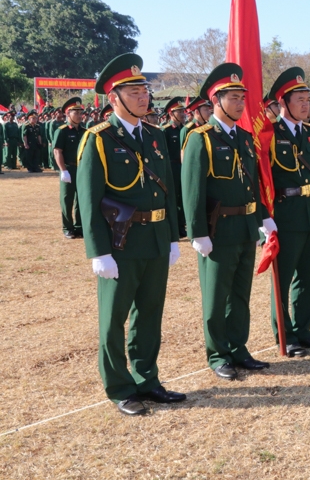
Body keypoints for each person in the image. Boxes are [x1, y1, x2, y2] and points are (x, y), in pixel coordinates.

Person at [77, 53, 183, 416]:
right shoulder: (99, 138)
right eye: (134, 91)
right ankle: (120, 387)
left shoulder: (154, 136)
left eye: (145, 90)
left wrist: (171, 237)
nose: (144, 97)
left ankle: (147, 379)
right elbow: (88, 199)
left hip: (154, 238)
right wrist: (98, 252)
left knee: (150, 314)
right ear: (114, 98)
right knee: (114, 319)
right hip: (120, 243)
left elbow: (167, 190)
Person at [182, 63, 269, 381]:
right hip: (217, 231)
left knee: (240, 295)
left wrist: (264, 218)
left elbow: (252, 183)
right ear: (215, 100)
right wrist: (197, 233)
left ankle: (238, 348)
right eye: (233, 97)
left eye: (242, 97)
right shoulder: (200, 138)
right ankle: (218, 354)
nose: (240, 103)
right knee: (217, 296)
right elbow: (192, 190)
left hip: (245, 227)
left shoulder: (245, 138)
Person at [266, 67, 310, 356]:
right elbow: (263, 177)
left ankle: (304, 330)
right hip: (284, 213)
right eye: (300, 99)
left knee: (309, 277)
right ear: (283, 103)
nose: (306, 104)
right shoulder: (269, 134)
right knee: (283, 278)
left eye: (308, 99)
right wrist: (264, 219)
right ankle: (285, 333)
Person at [53, 97, 86, 238]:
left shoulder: (85, 131)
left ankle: (79, 226)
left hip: (82, 169)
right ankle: (67, 227)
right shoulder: (62, 131)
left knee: (81, 199)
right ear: (68, 113)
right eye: (76, 112)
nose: (79, 115)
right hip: (69, 168)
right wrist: (63, 170)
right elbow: (57, 151)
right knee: (67, 200)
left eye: (80, 113)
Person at [160, 97, 187, 238]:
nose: (183, 114)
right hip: (172, 167)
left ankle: (182, 225)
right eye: (179, 111)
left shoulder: (185, 129)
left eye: (183, 111)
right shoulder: (166, 130)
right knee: (173, 197)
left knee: (183, 197)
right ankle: (174, 226)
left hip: (183, 167)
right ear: (171, 114)